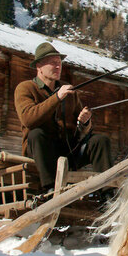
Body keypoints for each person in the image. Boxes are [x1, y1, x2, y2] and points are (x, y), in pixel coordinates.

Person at [14, 42, 113, 191]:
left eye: (59, 63)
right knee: (36, 134)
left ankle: (108, 192)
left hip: (68, 151)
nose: (58, 67)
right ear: (39, 66)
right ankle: (50, 189)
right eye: (53, 63)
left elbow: (83, 128)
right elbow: (28, 119)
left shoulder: (68, 90)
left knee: (100, 141)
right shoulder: (26, 88)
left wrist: (84, 122)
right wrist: (57, 98)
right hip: (42, 153)